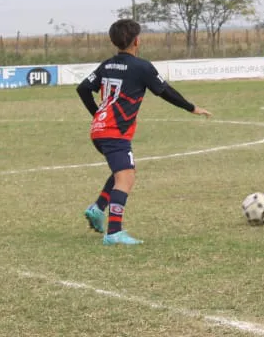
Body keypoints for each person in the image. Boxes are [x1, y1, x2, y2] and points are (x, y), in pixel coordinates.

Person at [77, 19, 211, 245]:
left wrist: (97, 114)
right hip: (114, 132)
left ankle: (98, 208)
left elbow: (83, 88)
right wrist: (192, 108)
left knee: (123, 171)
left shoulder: (107, 65)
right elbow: (165, 91)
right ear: (137, 41)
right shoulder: (142, 67)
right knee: (126, 178)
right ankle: (114, 232)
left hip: (100, 130)